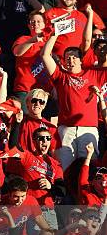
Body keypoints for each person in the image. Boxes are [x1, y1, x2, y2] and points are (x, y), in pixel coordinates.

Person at [41, 27, 104, 170]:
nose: (70, 59)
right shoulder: (60, 76)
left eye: (74, 56)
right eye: (67, 57)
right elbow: (45, 55)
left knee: (89, 168)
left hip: (88, 130)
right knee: (65, 169)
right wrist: (55, 33)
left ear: (81, 60)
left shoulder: (94, 74)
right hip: (66, 130)